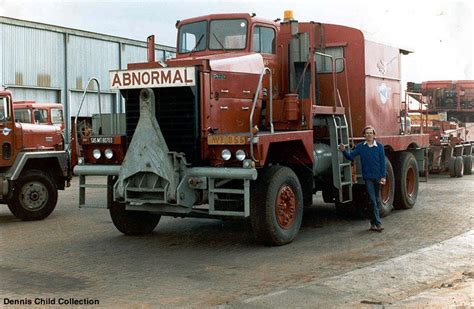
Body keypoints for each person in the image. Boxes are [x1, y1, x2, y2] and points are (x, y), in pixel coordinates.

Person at [338, 125, 386, 232]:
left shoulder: (380, 147)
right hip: (368, 177)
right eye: (367, 133)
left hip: (378, 177)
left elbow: (383, 163)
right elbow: (350, 157)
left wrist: (383, 177)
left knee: (376, 200)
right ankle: (378, 224)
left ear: (374, 135)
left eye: (371, 133)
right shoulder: (360, 147)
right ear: (364, 135)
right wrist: (344, 150)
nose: (369, 135)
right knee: (373, 200)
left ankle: (373, 223)